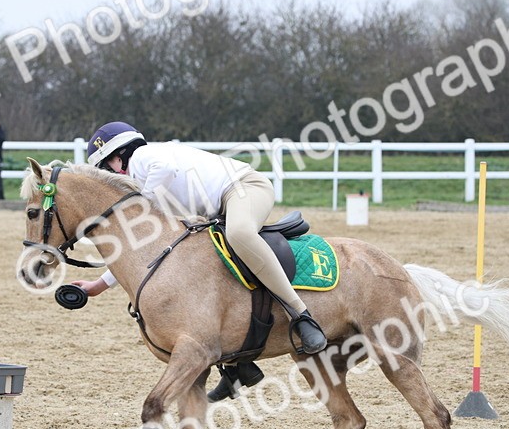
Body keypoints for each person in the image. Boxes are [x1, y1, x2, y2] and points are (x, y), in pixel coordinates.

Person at [71, 121, 327, 356]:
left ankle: (302, 315)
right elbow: (142, 251)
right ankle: (238, 367)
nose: (112, 175)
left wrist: (142, 205)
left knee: (240, 234)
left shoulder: (143, 157)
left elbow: (166, 168)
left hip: (245, 187)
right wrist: (99, 285)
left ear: (120, 156)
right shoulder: (146, 177)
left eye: (108, 168)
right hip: (218, 210)